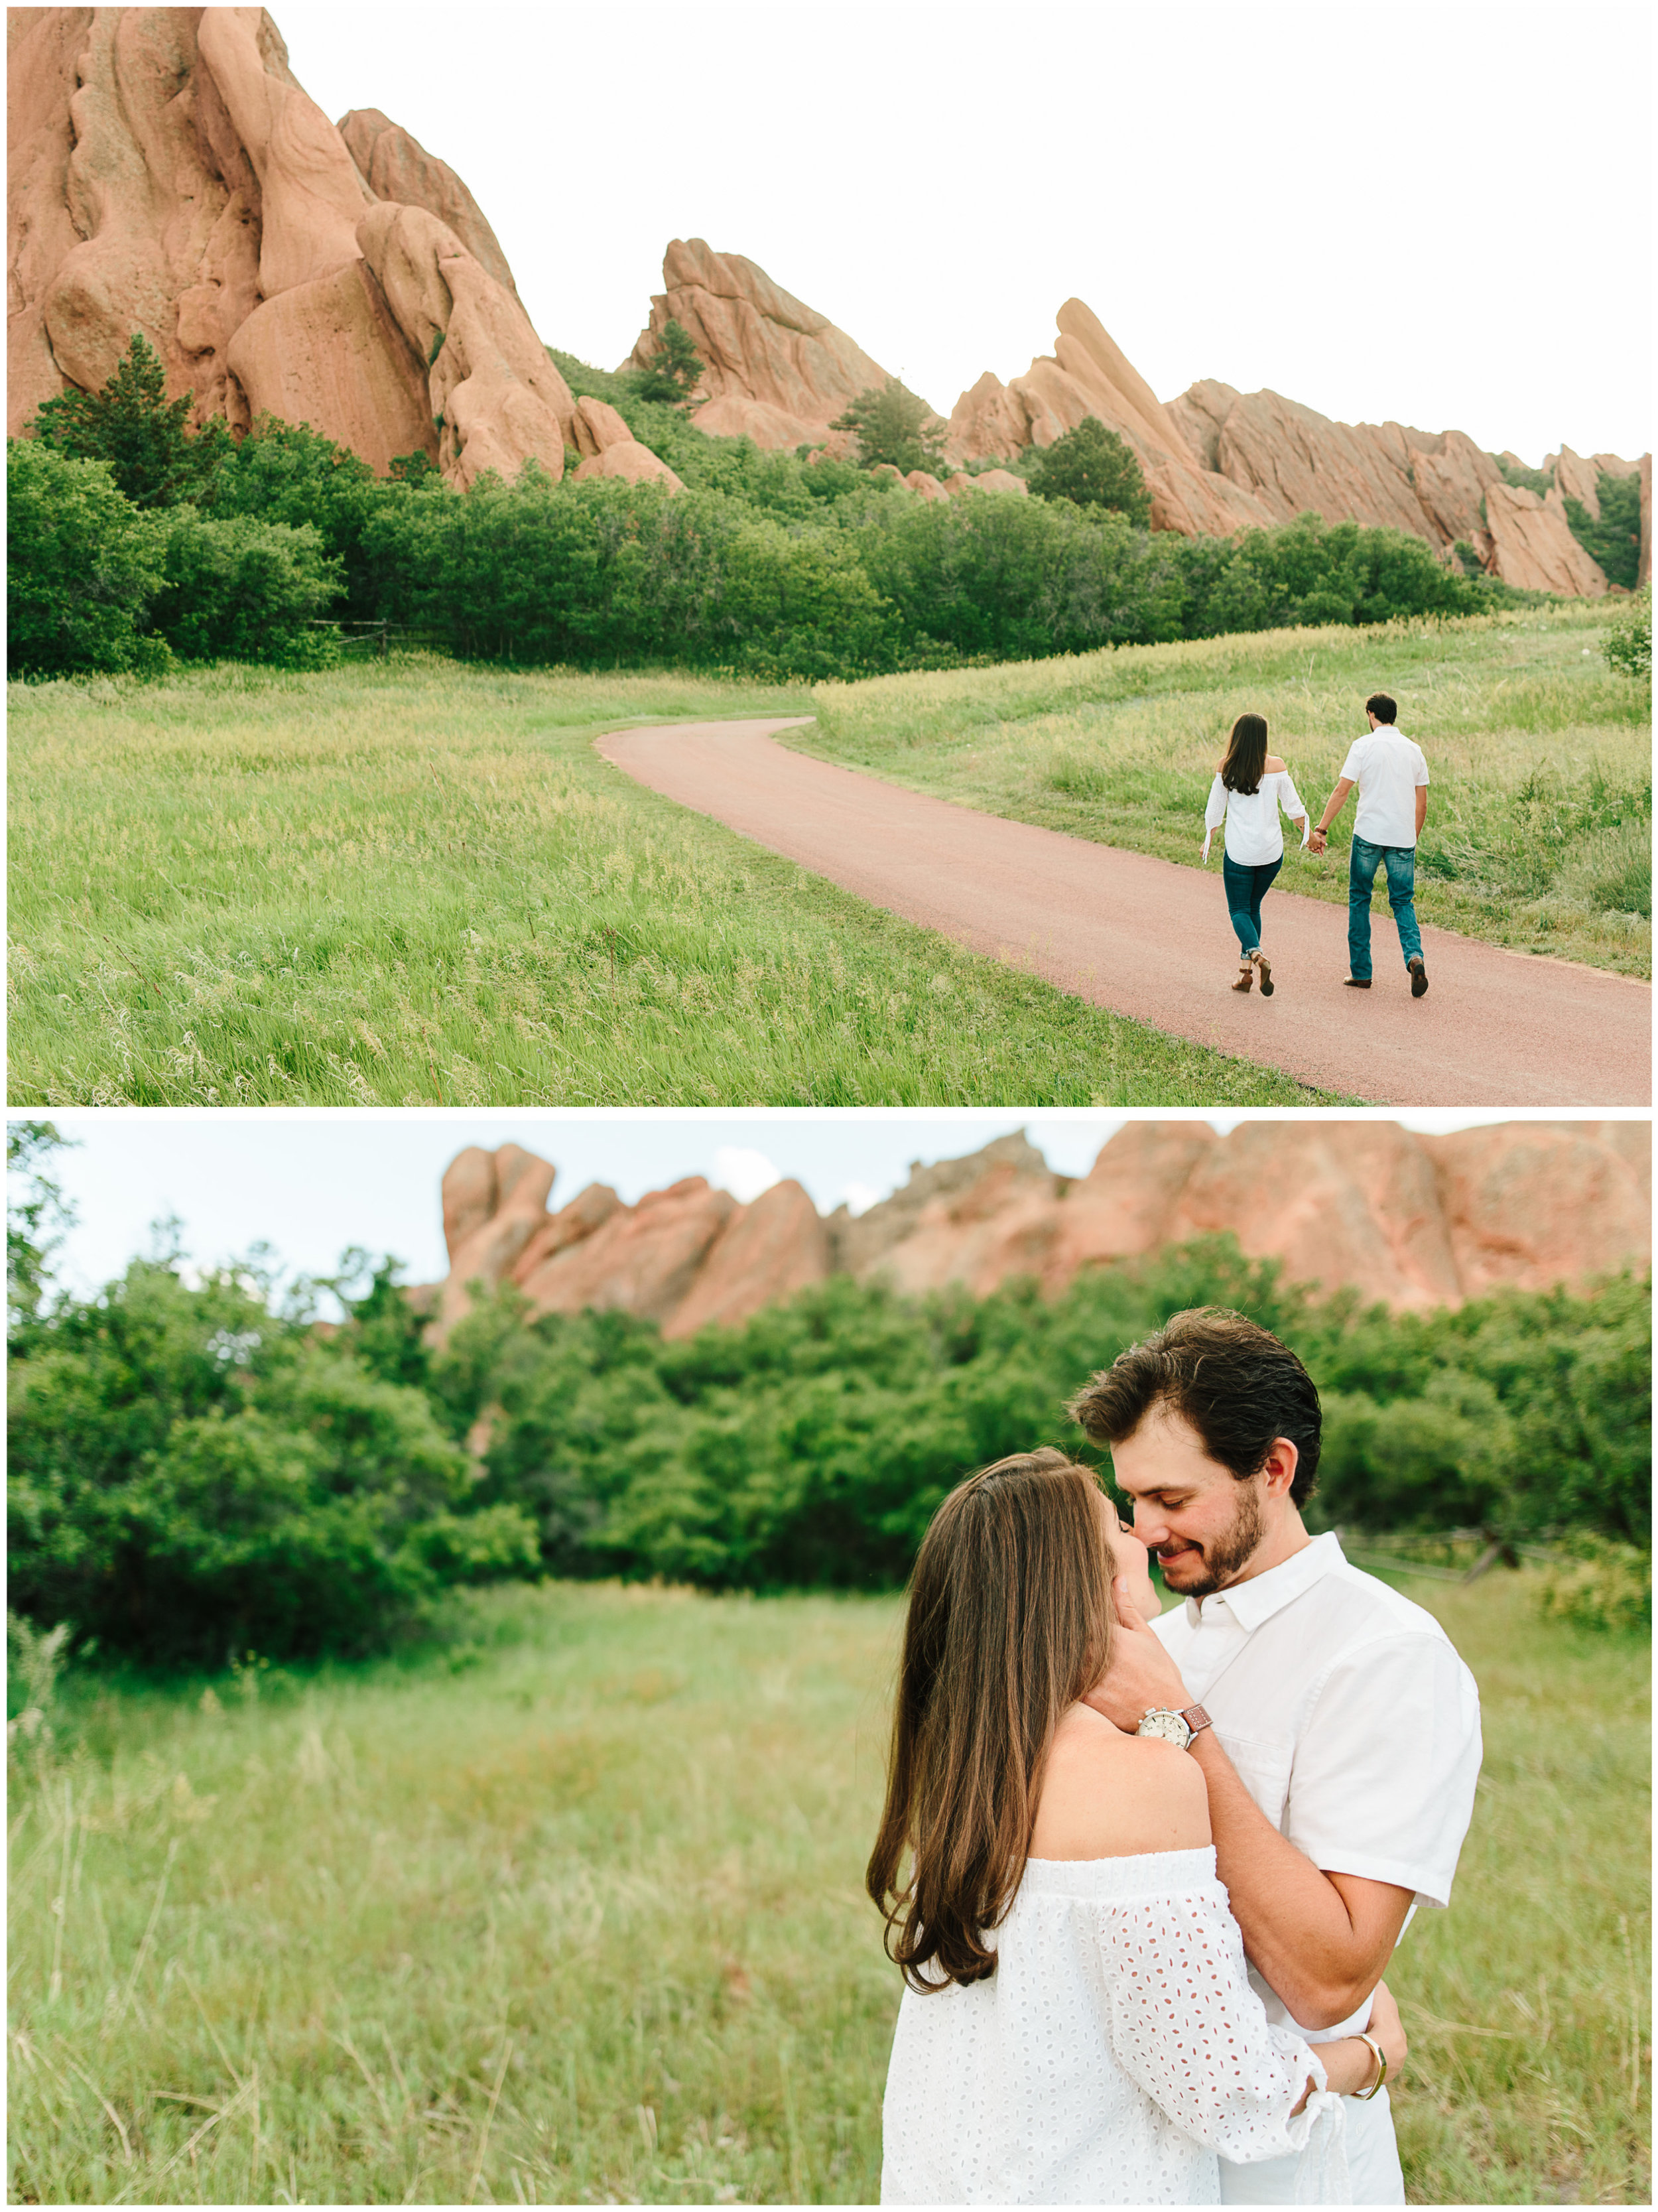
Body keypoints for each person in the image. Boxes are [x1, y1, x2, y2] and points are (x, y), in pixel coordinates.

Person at [869, 1447, 1410, 2205]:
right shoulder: (1139, 1776)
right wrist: (1368, 2055)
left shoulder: (970, 1770)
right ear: (1084, 1576)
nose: (1143, 1534)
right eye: (1118, 1522)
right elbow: (1223, 2089)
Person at [1068, 1309, 1483, 2205]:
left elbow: (1331, 1973)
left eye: (1173, 1499)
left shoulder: (1385, 1654)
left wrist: (1175, 1721)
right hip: (1115, 2156)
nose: (1141, 1529)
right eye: (1131, 1498)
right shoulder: (1156, 1636)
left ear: (1276, 1467)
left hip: (1283, 2172)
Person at [1308, 693, 1431, 995]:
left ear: (1371, 714)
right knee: (1403, 901)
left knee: (1360, 898)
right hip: (1402, 837)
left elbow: (1342, 790)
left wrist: (1322, 829)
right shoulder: (1414, 750)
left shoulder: (1363, 746)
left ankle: (1362, 973)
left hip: (1368, 836)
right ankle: (1414, 958)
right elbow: (1422, 804)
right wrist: (1410, 838)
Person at [1202, 714, 1309, 998]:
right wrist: (1309, 835)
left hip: (1240, 853)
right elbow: (1293, 807)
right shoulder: (1277, 766)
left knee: (1239, 910)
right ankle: (1245, 975)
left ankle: (1257, 955)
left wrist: (1208, 839)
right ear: (1263, 737)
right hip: (1271, 853)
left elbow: (1215, 810)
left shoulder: (1226, 767)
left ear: (1237, 735)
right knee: (1253, 908)